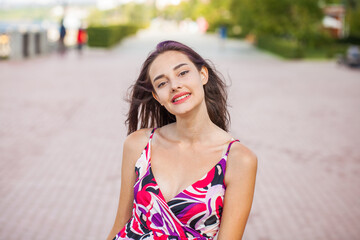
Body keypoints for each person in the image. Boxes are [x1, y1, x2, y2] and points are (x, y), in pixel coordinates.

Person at [107, 40, 258, 240]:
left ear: (203, 75)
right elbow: (121, 222)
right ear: (157, 96)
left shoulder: (238, 160)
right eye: (162, 83)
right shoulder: (139, 144)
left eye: (183, 73)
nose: (175, 85)